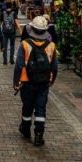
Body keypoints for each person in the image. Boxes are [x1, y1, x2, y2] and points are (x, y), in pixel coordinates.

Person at [14, 16, 58, 147]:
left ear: (32, 29)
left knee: (27, 106)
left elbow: (19, 65)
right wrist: (52, 79)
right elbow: (54, 67)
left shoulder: (25, 44)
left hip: (27, 82)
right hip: (43, 82)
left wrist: (16, 82)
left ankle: (26, 129)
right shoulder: (51, 46)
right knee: (40, 108)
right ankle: (39, 135)